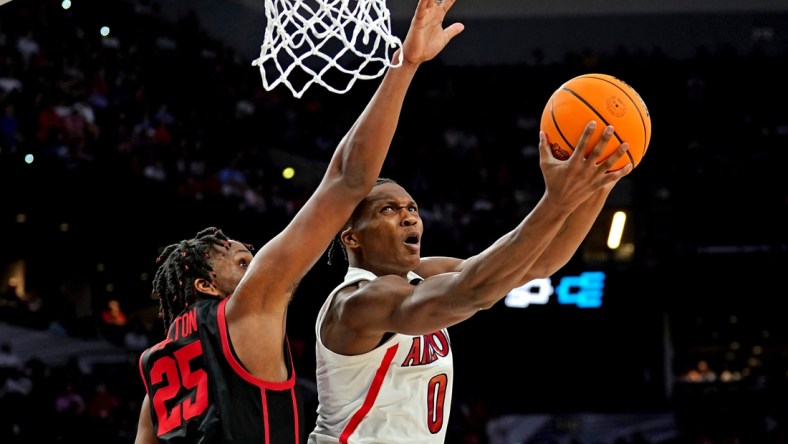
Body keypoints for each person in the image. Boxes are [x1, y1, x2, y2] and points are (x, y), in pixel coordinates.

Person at [133, 1, 464, 443]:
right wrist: (404, 65)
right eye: (241, 262)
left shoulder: (158, 372)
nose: (256, 265)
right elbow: (348, 179)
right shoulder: (250, 306)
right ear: (207, 286)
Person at [309, 122, 633, 443]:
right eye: (388, 210)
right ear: (352, 238)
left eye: (412, 208)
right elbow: (475, 290)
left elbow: (541, 264)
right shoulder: (357, 300)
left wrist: (598, 185)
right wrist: (555, 202)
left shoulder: (424, 275)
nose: (409, 217)